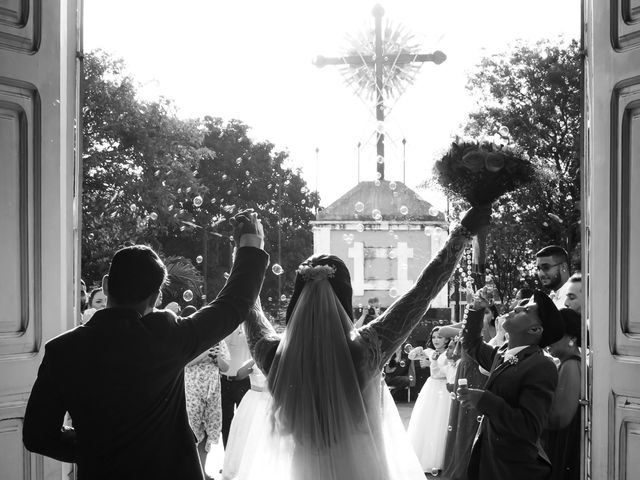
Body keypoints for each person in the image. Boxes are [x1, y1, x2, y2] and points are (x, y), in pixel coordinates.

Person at [237, 205, 491, 480]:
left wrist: (246, 251)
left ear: (297, 299)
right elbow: (423, 290)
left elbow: (246, 306)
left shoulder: (273, 356)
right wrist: (463, 233)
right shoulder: (370, 346)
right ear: (346, 295)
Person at [23, 210, 268, 480]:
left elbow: (37, 436)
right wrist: (249, 245)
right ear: (156, 296)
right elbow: (233, 305)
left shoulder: (62, 350)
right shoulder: (168, 336)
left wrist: (93, 447)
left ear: (105, 286)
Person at [457, 289, 565, 480]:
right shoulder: (503, 353)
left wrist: (484, 399)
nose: (517, 307)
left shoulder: (542, 365)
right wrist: (476, 309)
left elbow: (529, 427)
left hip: (516, 469)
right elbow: (471, 345)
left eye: (526, 309)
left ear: (534, 330)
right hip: (493, 461)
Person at [442, 304, 498, 480]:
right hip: (466, 374)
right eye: (482, 312)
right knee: (465, 420)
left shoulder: (496, 330)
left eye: (487, 312)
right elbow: (442, 330)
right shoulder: (468, 328)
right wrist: (466, 322)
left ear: (494, 314)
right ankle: (463, 465)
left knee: (479, 420)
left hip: (484, 377)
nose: (484, 315)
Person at [407, 326, 456, 474]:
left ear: (447, 339)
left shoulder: (451, 354)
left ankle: (441, 460)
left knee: (442, 422)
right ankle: (427, 458)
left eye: (439, 337)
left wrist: (431, 363)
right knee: (428, 421)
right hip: (431, 387)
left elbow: (450, 372)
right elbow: (411, 356)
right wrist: (416, 351)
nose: (436, 340)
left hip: (445, 388)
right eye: (434, 337)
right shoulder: (430, 352)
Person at [544, 308, 582, 480]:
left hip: (563, 445)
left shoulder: (571, 366)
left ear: (572, 339)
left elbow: (560, 417)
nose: (548, 341)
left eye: (555, 335)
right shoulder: (566, 364)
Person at [185, 339, 229, 480]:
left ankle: (202, 471)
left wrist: (217, 358)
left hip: (212, 392)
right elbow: (184, 363)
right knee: (191, 432)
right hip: (193, 392)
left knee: (206, 432)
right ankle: (189, 471)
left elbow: (226, 367)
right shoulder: (192, 338)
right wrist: (204, 354)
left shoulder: (220, 341)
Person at [220, 323, 255, 447]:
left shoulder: (250, 328)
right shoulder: (223, 327)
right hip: (224, 381)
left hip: (244, 382)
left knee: (244, 422)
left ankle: (240, 458)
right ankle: (227, 457)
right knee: (225, 422)